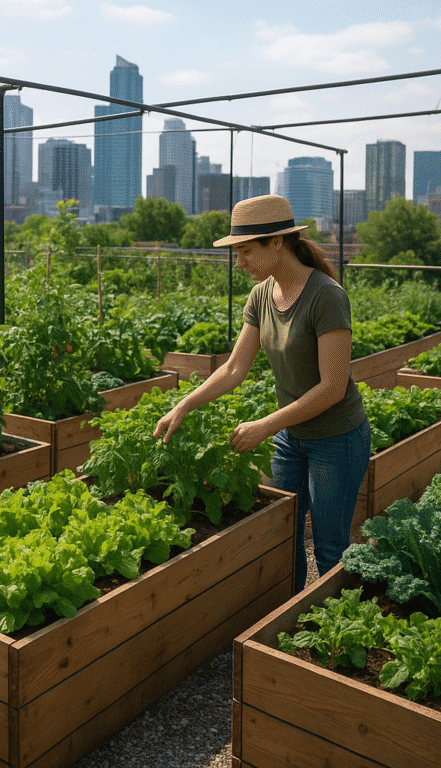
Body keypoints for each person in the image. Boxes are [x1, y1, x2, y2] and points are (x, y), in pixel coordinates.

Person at [153, 194, 371, 593]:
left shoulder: (326, 296)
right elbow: (235, 368)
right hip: (292, 436)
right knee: (281, 532)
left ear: (277, 243)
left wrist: (265, 426)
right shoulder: (261, 296)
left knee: (329, 546)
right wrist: (183, 405)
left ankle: (333, 630)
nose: (240, 263)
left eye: (246, 251)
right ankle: (287, 622)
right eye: (236, 253)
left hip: (336, 439)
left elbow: (332, 389)